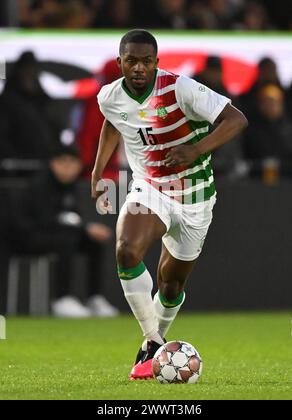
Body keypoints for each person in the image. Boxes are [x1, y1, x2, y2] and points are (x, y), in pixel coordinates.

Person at [91, 29, 248, 380]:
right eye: (131, 61)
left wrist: (195, 150)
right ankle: (152, 341)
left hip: (195, 199)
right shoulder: (109, 96)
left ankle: (152, 347)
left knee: (171, 285)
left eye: (146, 61)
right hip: (150, 188)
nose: (138, 68)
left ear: (156, 63)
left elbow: (236, 119)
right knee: (127, 250)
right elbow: (113, 123)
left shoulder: (180, 89)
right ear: (120, 62)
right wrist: (98, 170)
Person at [11, 143, 119, 318]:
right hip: (28, 237)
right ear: (53, 164)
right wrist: (85, 228)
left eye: (72, 162)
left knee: (93, 244)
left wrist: (85, 231)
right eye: (63, 162)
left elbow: (71, 217)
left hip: (57, 235)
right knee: (67, 239)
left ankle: (95, 298)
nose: (68, 167)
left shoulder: (72, 187)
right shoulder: (40, 185)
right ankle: (62, 298)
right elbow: (46, 220)